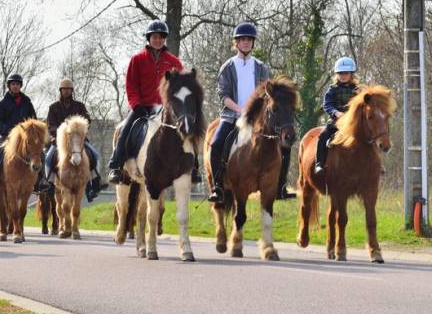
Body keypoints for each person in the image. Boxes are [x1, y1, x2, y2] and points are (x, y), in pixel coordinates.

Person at [108, 20, 201, 184]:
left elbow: (181, 86)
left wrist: (176, 106)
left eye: (161, 37)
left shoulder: (173, 61)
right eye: (154, 37)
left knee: (188, 128)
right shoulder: (137, 60)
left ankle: (194, 169)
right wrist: (136, 105)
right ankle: (116, 166)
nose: (157, 40)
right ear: (149, 38)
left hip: (166, 109)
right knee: (125, 130)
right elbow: (131, 85)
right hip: (142, 106)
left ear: (164, 39)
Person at [208, 22, 270, 203]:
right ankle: (217, 187)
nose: (246, 43)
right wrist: (240, 109)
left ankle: (279, 184)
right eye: (242, 40)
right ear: (236, 43)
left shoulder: (260, 67)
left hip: (257, 119)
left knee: (279, 142)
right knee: (216, 145)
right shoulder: (227, 67)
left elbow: (267, 93)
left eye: (249, 40)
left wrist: (256, 112)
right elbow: (223, 96)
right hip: (231, 117)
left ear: (253, 43)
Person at [44, 78, 104, 202]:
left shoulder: (80, 106)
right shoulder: (53, 107)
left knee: (94, 154)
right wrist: (63, 132)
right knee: (48, 157)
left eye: (68, 89)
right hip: (59, 140)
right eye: (64, 89)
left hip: (78, 139)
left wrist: (80, 126)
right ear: (61, 91)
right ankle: (48, 184)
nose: (66, 92)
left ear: (72, 91)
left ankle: (94, 185)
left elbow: (87, 120)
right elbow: (50, 126)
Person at [0, 74, 37, 195]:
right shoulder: (2, 103)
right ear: (9, 86)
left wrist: (29, 132)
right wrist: (8, 131)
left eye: (17, 84)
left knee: (38, 152)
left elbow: (33, 119)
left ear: (20, 86)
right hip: (5, 135)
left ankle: (40, 181)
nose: (15, 86)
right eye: (13, 84)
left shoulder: (27, 102)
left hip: (24, 137)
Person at [314, 56, 359, 174]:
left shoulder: (358, 90)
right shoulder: (332, 90)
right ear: (336, 75)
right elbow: (327, 105)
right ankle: (319, 163)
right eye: (340, 73)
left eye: (346, 73)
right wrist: (336, 113)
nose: (343, 76)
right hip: (336, 122)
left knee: (371, 135)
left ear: (351, 74)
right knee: (322, 136)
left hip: (353, 123)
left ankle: (376, 164)